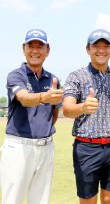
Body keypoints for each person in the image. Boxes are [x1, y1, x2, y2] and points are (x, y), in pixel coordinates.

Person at [62, 29, 110, 204]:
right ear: (88, 49)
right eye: (96, 46)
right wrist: (83, 107)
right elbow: (67, 109)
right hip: (87, 148)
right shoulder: (76, 76)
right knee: (88, 200)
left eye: (105, 46)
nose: (101, 50)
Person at [0, 29, 63, 203]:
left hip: (45, 147)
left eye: (40, 46)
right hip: (18, 147)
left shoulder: (53, 79)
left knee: (41, 200)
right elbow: (23, 98)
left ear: (47, 50)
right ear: (24, 49)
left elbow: (54, 113)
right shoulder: (16, 75)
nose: (35, 51)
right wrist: (44, 97)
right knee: (12, 199)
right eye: (31, 46)